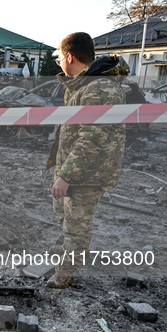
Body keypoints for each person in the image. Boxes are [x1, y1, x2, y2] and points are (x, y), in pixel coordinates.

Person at [45, 32, 129, 289]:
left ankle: (65, 272)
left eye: (59, 58)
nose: (59, 62)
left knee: (77, 222)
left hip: (88, 172)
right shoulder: (82, 84)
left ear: (69, 57)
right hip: (74, 166)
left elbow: (92, 138)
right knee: (64, 213)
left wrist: (66, 175)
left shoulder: (99, 88)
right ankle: (70, 249)